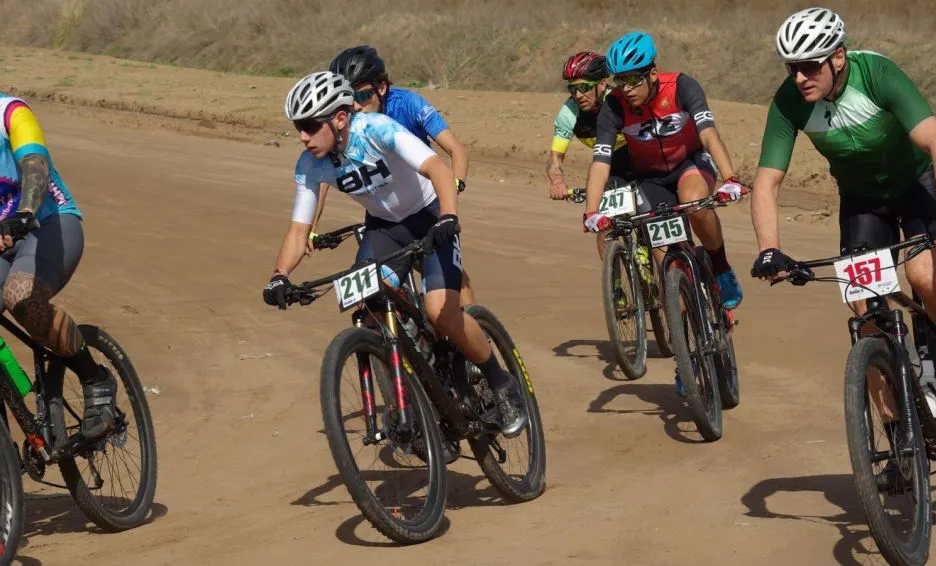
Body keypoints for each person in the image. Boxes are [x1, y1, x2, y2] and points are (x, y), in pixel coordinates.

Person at [749, 8, 936, 423]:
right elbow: (766, 182)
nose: (799, 77)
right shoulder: (789, 102)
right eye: (792, 67)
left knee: (922, 278)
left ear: (838, 57)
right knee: (865, 315)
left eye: (810, 66)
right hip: (863, 202)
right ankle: (896, 433)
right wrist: (769, 249)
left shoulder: (877, 74)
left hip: (917, 186)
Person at [262, 71, 527, 436]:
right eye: (298, 128)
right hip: (385, 229)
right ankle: (419, 389)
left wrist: (449, 217)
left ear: (340, 118)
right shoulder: (310, 164)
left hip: (430, 214)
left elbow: (437, 167)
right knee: (369, 306)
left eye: (309, 126)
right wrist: (280, 275)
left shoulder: (376, 129)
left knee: (440, 311)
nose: (303, 137)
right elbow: (298, 229)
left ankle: (502, 384)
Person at [582, 31, 746, 312]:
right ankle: (689, 339)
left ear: (653, 73)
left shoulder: (682, 86)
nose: (627, 88)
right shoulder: (614, 106)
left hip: (689, 163)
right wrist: (591, 211)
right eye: (620, 81)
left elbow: (708, 134)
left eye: (633, 79)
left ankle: (721, 268)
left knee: (694, 204)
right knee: (669, 271)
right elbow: (601, 160)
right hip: (651, 178)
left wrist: (731, 179)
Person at [306, 45, 477, 306]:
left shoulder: (408, 104)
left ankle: (471, 329)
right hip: (385, 210)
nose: (354, 107)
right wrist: (312, 229)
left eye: (361, 97)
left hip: (424, 199)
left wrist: (455, 186)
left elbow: (456, 150)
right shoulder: (346, 125)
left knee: (452, 282)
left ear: (382, 88)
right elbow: (324, 180)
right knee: (365, 298)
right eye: (346, 99)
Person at [0, 94, 117, 440]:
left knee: (21, 296)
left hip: (47, 223)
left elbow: (35, 165)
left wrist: (24, 213)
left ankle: (94, 378)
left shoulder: (10, 112)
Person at [547, 51, 637, 259]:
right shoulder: (569, 113)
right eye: (573, 88)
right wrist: (557, 181)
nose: (578, 95)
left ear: (602, 84)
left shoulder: (622, 102)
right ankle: (614, 286)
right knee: (603, 223)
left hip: (643, 160)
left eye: (584, 87)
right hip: (610, 167)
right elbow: (555, 158)